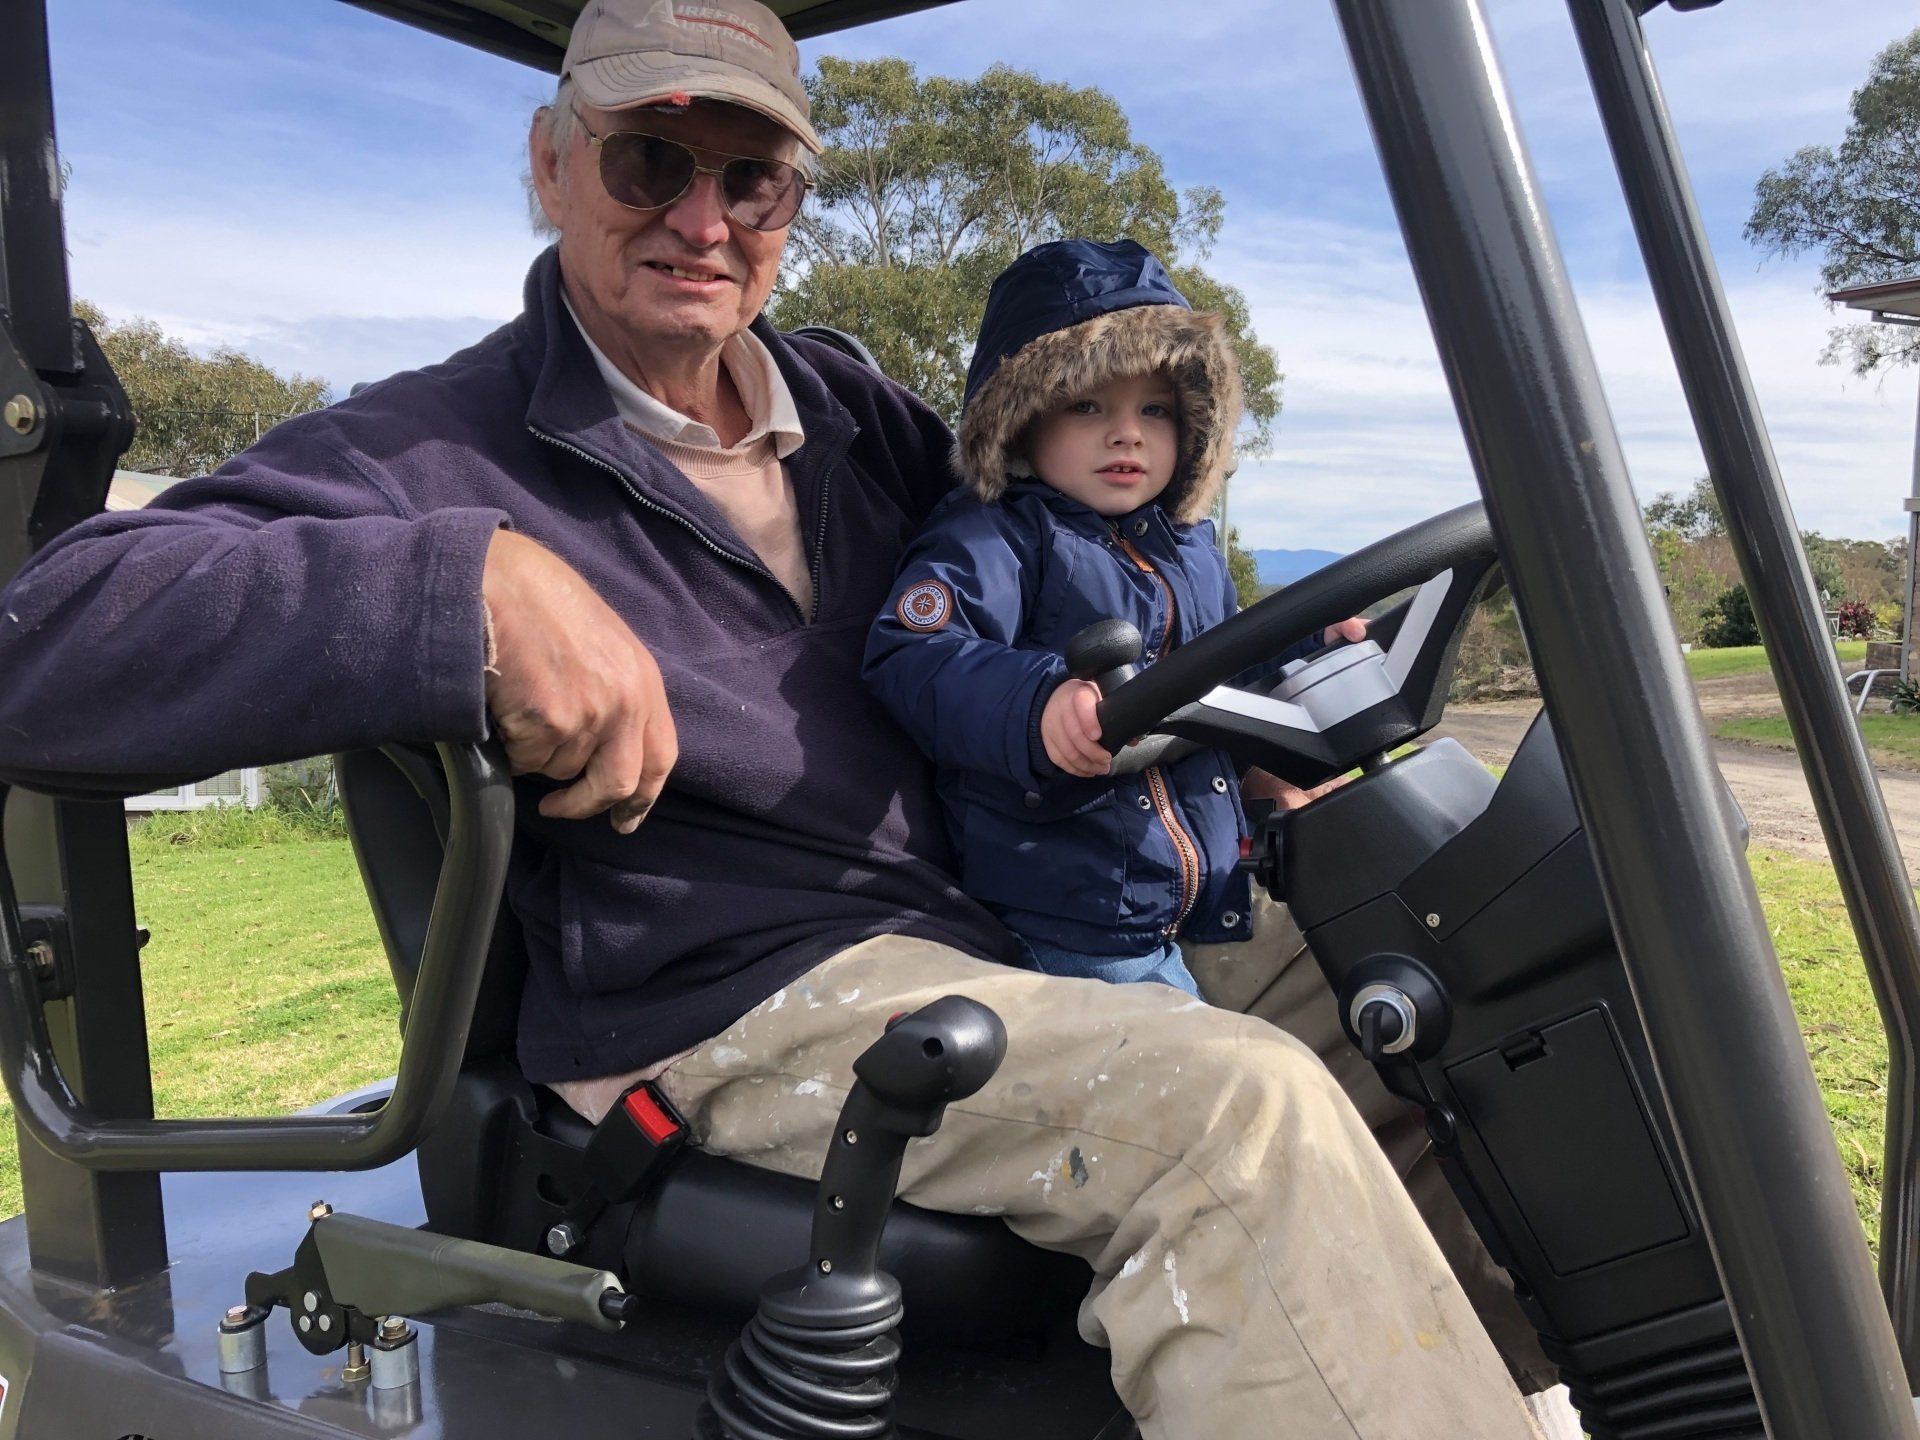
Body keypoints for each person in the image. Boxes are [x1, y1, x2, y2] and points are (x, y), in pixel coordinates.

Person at [0, 1, 1548, 1434]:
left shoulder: (857, 417)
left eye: (753, 181)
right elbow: (47, 640)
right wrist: (464, 582)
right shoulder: (431, 448)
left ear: (792, 210)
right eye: (649, 160)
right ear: (551, 167)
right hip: (735, 996)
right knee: (1241, 1122)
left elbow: (1056, 583)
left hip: (1002, 913)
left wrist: (1245, 716)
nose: (701, 217)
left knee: (1454, 984)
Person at [865, 238, 1354, 997]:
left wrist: (1311, 645)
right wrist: (1038, 704)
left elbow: (1226, 665)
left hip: (1182, 903)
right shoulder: (996, 534)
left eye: (1154, 410)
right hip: (1065, 919)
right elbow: (914, 653)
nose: (1127, 432)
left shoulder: (1189, 550)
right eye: (1088, 404)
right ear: (1021, 419)